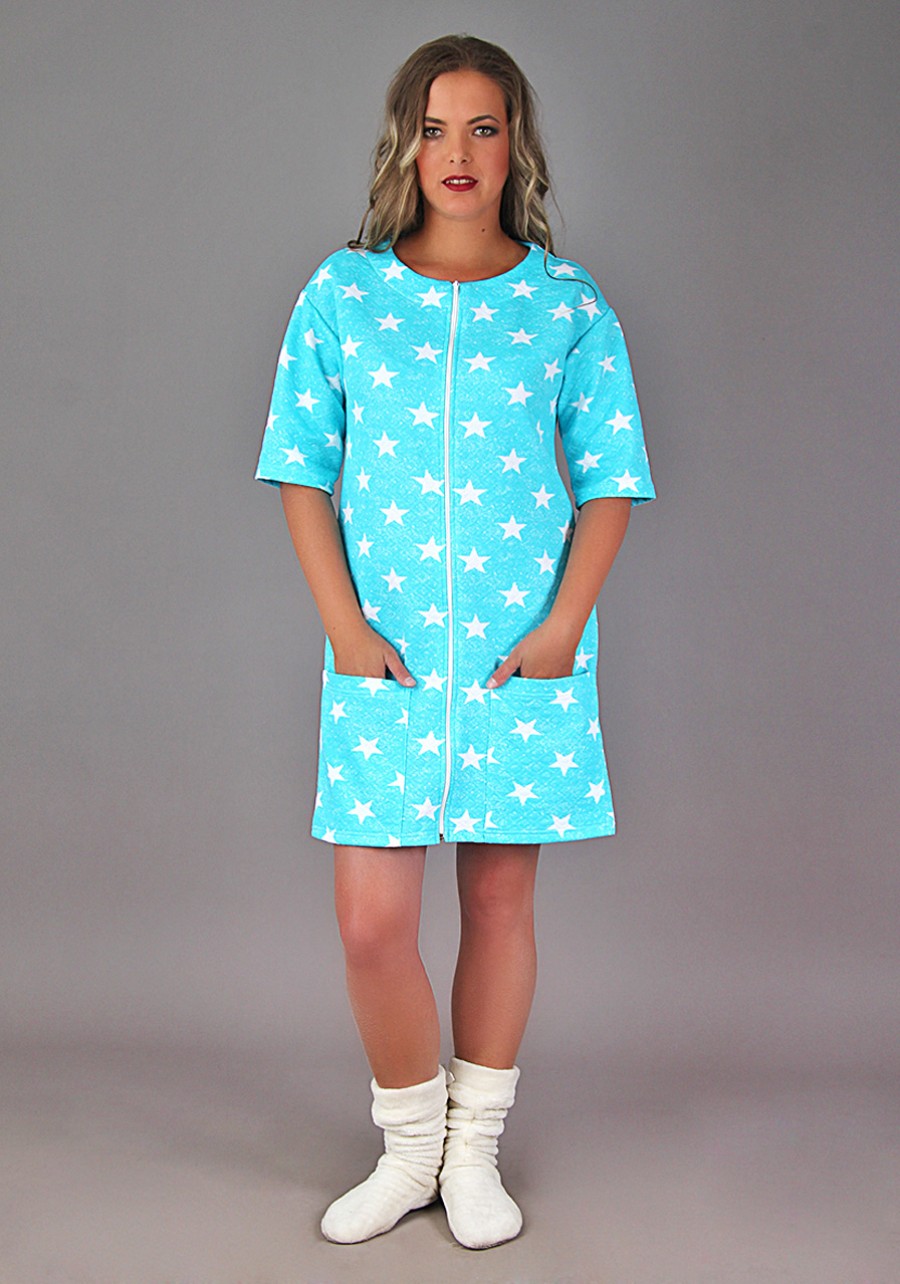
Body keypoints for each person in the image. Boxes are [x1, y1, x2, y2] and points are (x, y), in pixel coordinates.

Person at [254, 33, 656, 1250]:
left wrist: (563, 628)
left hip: (514, 655)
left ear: (515, 143)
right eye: (436, 129)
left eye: (483, 127)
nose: (459, 153)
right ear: (406, 145)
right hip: (381, 656)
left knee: (498, 903)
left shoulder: (567, 306)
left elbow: (612, 479)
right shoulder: (345, 294)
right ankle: (408, 1149)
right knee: (371, 923)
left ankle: (472, 1153)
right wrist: (342, 625)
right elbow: (300, 468)